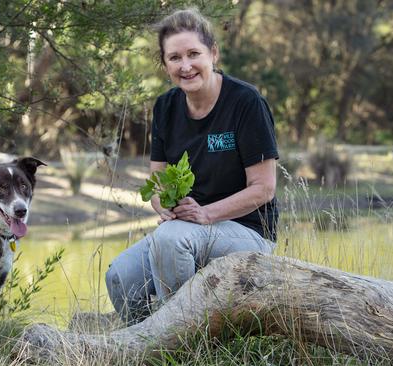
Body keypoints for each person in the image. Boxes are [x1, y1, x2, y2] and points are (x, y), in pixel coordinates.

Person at [105, 8, 279, 325]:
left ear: (213, 53)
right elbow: (157, 181)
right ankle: (148, 343)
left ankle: (186, 347)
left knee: (171, 240)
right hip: (184, 229)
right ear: (164, 64)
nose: (185, 66)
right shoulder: (165, 107)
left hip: (249, 232)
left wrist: (205, 214)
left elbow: (264, 188)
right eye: (174, 58)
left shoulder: (246, 101)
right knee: (119, 276)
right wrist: (165, 207)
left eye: (193, 54)